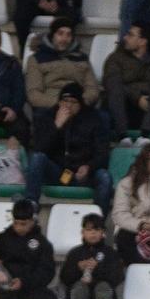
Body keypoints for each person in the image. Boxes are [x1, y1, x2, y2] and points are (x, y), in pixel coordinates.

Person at [29, 82, 110, 211]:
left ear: (80, 104)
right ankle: (31, 205)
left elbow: (103, 153)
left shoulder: (94, 119)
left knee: (104, 176)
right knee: (37, 158)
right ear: (59, 102)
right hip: (59, 173)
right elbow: (40, 149)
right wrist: (56, 126)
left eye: (73, 102)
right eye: (65, 101)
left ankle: (98, 220)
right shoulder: (48, 116)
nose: (68, 105)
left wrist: (89, 167)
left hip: (84, 174)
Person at [0, 196, 58, 299]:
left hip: (31, 287)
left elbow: (47, 271)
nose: (19, 227)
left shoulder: (42, 243)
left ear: (32, 221)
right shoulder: (1, 240)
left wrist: (24, 282)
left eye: (23, 224)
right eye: (16, 223)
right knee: (0, 297)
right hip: (6, 287)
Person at [26, 21, 101, 115]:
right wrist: (61, 104)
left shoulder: (82, 58)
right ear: (52, 35)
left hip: (79, 103)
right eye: (60, 34)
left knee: (102, 117)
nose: (64, 39)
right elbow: (34, 93)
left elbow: (92, 88)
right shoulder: (37, 58)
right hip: (50, 105)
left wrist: (79, 103)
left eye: (68, 35)